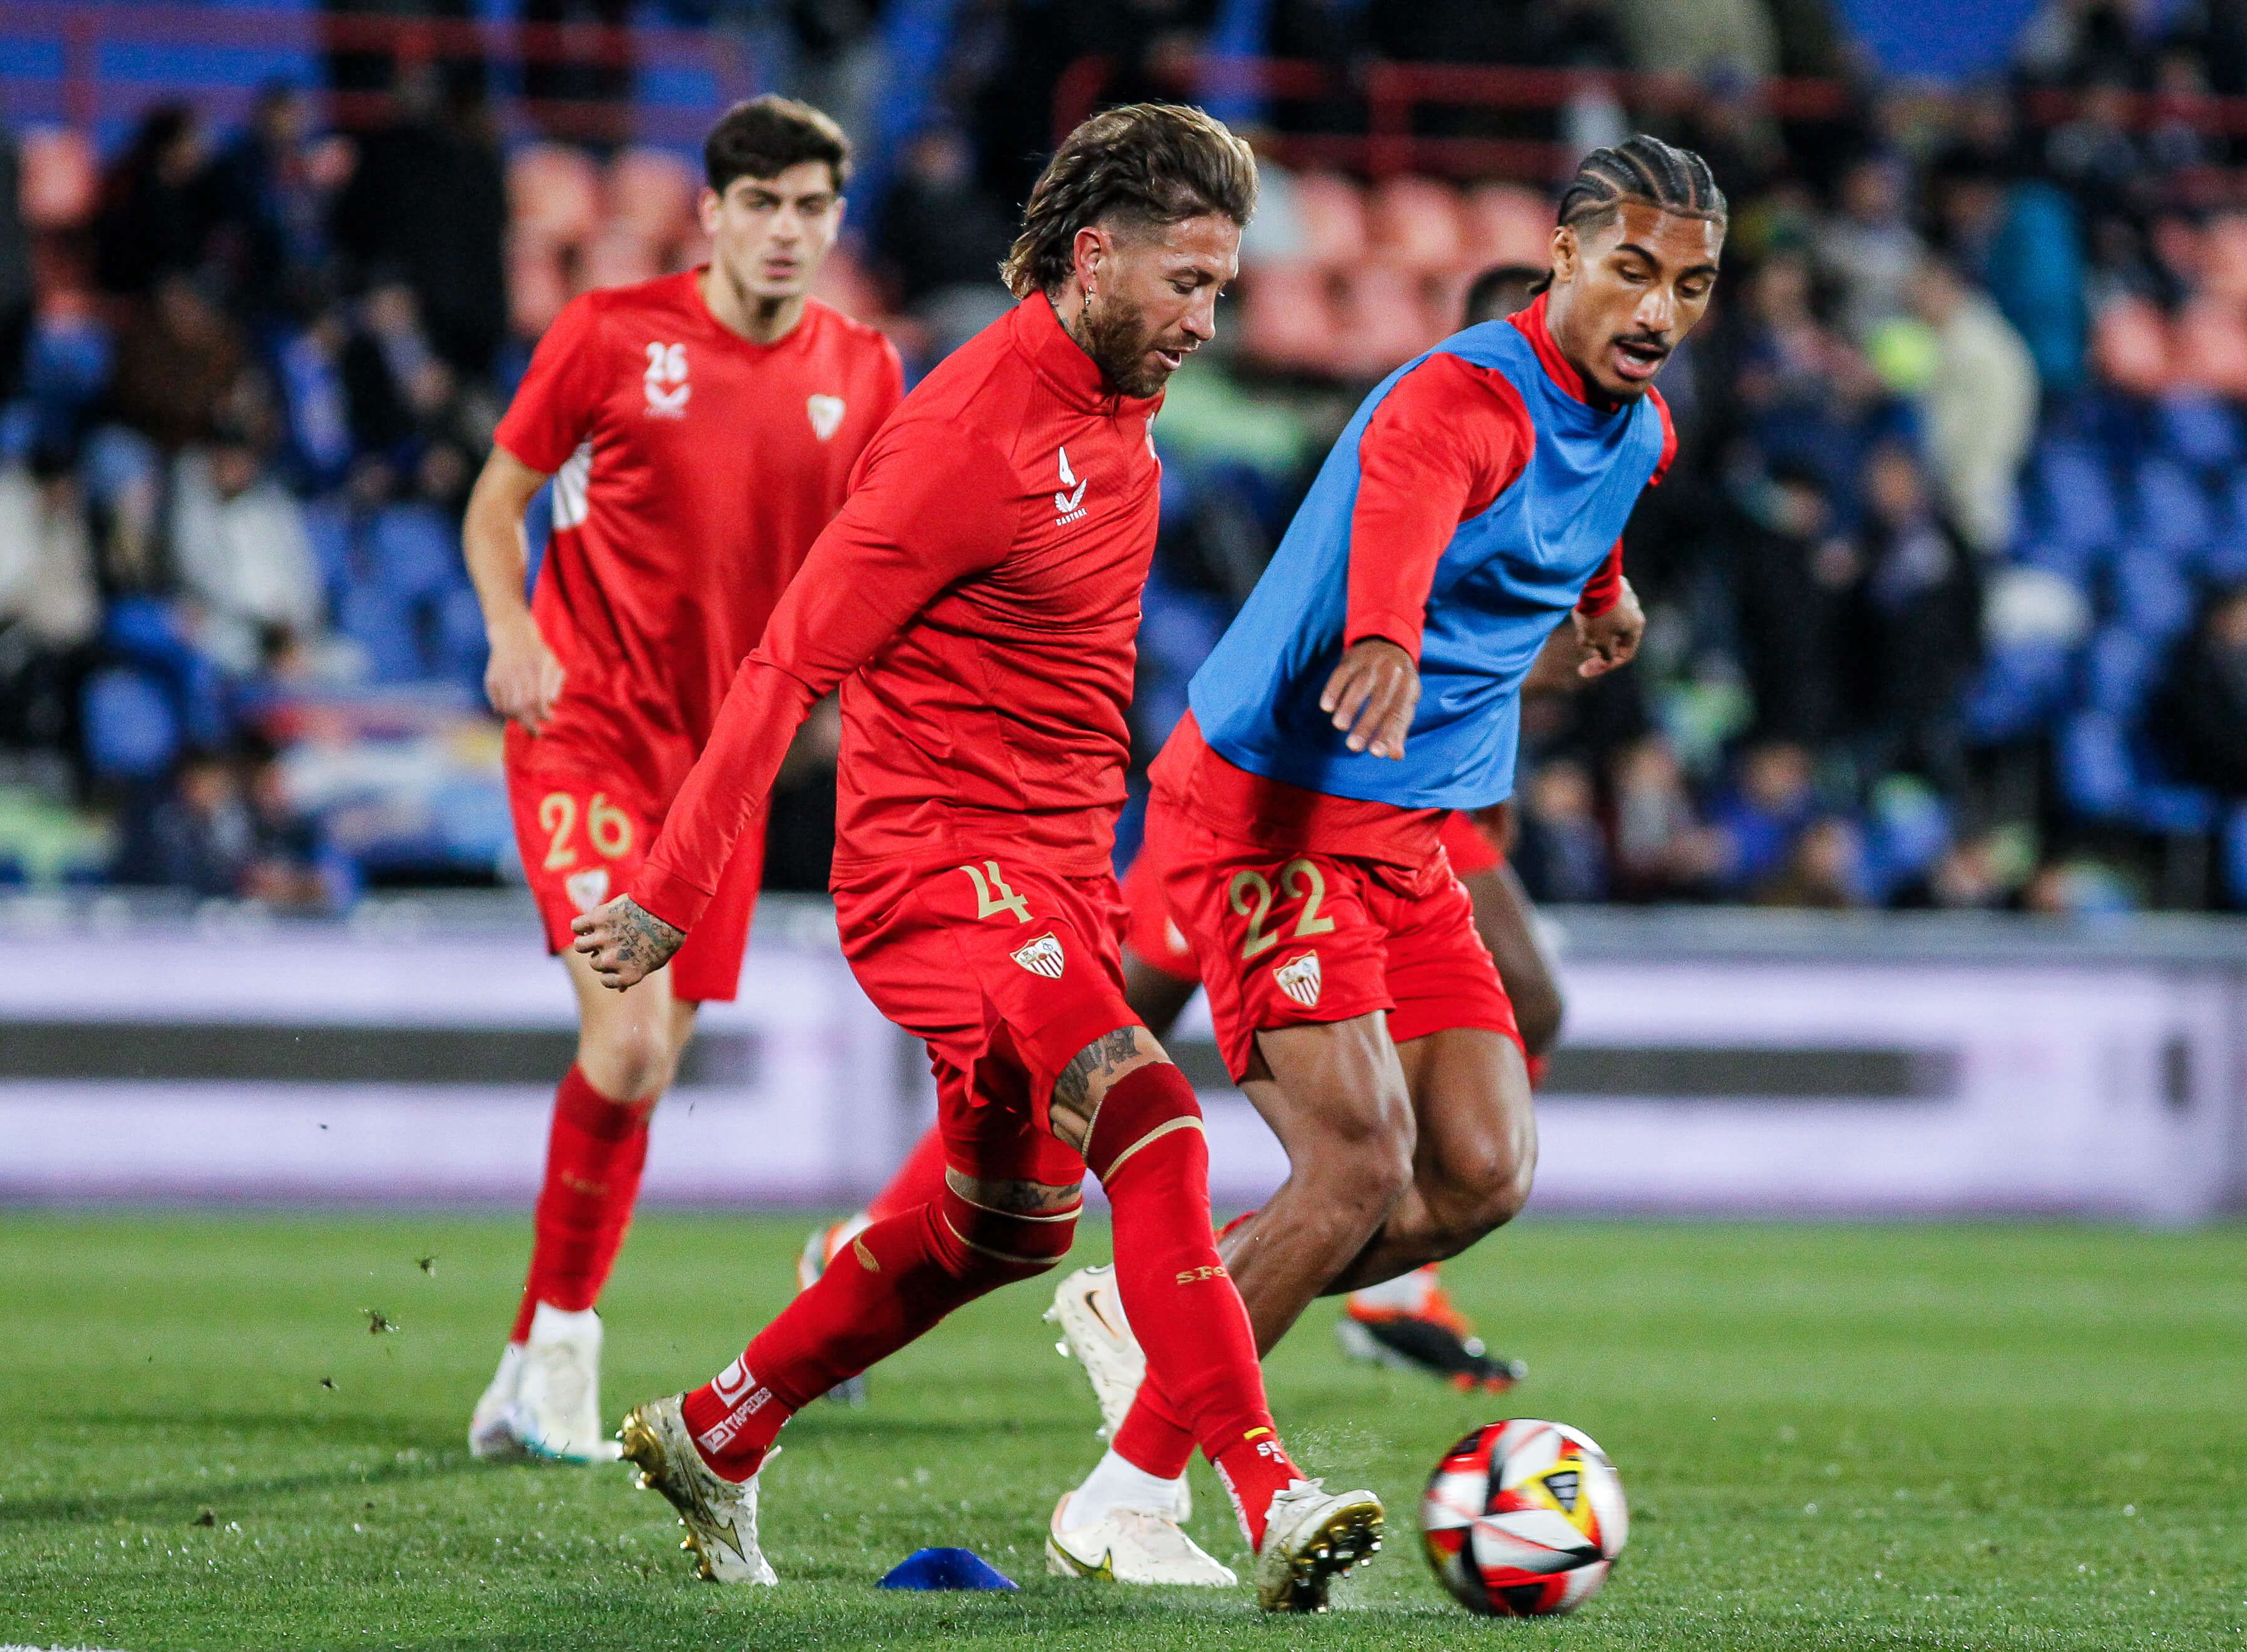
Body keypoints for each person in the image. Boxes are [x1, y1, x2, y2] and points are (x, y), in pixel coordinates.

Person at [566, 103, 1384, 1611]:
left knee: (1001, 1226)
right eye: (1186, 285)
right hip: (939, 874)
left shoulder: (1116, 408)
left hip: (1056, 874)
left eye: (1222, 287)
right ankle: (1268, 1492)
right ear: (1091, 260)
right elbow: (783, 663)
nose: (1208, 323)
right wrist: (678, 890)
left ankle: (715, 1428)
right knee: (1157, 1123)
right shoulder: (961, 438)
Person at [1044, 134, 1719, 1571]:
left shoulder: (1640, 431)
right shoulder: (1455, 397)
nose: (1658, 310)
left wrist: (1606, 602)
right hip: (1270, 815)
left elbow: (1575, 524)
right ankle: (1126, 1495)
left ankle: (1152, 1304)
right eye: (1633, 271)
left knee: (1478, 1173)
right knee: (1353, 1163)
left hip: (1406, 840)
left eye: (1691, 285)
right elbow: (1401, 527)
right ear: (1560, 257)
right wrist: (1381, 641)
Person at [798, 262, 1570, 1395]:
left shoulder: (1569, 466)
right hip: (1297, 788)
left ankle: (1382, 1265)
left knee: (1506, 1017)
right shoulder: (1423, 437)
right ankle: (870, 1243)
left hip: (1410, 800)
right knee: (1087, 1054)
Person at [460, 96, 903, 1467]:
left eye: (809, 208)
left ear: (836, 222)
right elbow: (495, 501)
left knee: (641, 1067)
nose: (784, 231)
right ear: (709, 212)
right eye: (759, 203)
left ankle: (534, 1357)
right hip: (585, 732)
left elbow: (879, 563)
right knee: (637, 1039)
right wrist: (511, 629)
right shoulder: (606, 336)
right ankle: (564, 1354)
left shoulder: (866, 372)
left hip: (725, 777)